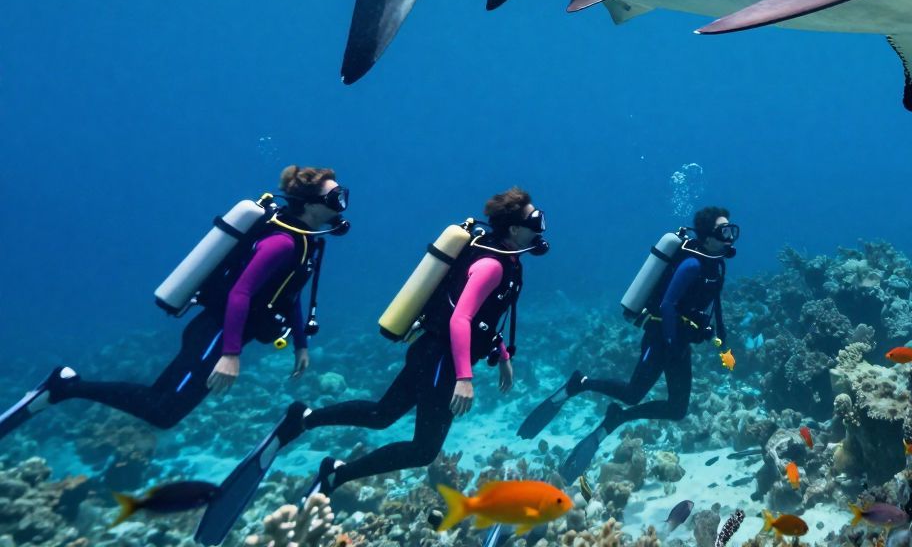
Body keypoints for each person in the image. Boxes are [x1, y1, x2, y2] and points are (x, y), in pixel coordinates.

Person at [196, 186, 546, 545]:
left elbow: (487, 318)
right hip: (440, 359)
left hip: (433, 354)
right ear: (515, 229)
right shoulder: (491, 264)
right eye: (536, 220)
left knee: (381, 414)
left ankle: (304, 422)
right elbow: (461, 319)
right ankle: (335, 473)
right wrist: (464, 377)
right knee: (423, 449)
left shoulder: (510, 261)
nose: (541, 227)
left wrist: (502, 355)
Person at [0, 165, 349, 439]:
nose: (341, 205)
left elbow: (288, 294)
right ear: (312, 204)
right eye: (335, 199)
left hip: (219, 336)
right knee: (164, 410)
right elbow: (240, 293)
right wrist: (229, 354)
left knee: (164, 404)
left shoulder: (306, 241)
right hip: (214, 336)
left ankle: (64, 386)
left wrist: (300, 344)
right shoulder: (284, 243)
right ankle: (64, 386)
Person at [533, 206, 736, 482]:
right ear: (708, 236)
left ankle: (619, 418)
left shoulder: (716, 264)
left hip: (679, 343)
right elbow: (667, 304)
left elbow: (715, 304)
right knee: (632, 393)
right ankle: (579, 383)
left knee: (677, 409)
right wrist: (671, 341)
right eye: (724, 231)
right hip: (661, 338)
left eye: (731, 229)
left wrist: (721, 341)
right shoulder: (692, 264)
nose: (730, 236)